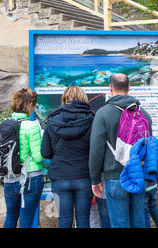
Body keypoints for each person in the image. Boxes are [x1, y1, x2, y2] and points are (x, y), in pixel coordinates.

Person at [89, 73, 152, 228]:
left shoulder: (103, 114)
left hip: (115, 177)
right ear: (129, 88)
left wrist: (95, 179)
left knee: (119, 223)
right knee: (139, 221)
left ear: (110, 88)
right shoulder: (143, 114)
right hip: (139, 176)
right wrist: (152, 176)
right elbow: (151, 148)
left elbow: (96, 149)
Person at [41, 86, 94, 228]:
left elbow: (45, 153)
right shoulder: (91, 119)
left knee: (64, 220)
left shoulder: (52, 120)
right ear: (83, 98)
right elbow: (96, 150)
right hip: (84, 176)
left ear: (64, 98)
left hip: (59, 178)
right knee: (83, 220)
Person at [3, 88, 44, 228]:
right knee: (26, 220)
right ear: (30, 104)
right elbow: (38, 157)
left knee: (10, 216)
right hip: (31, 179)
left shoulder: (3, 124)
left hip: (9, 177)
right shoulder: (31, 126)